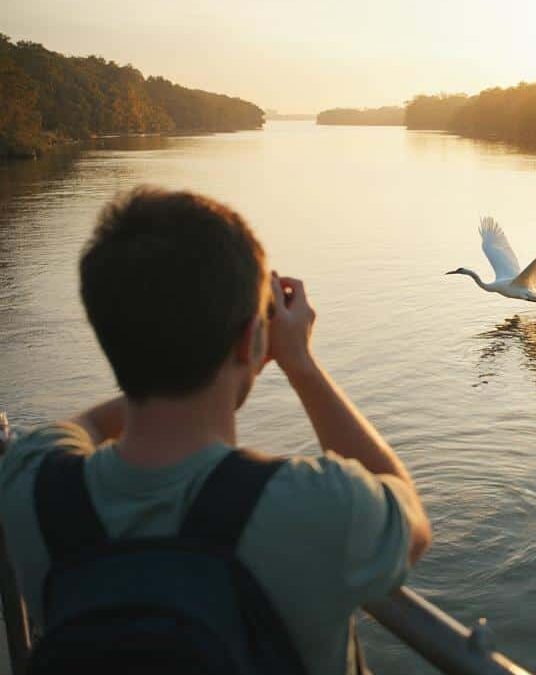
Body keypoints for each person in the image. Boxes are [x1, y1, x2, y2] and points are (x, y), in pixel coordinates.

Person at [0, 187, 431, 675]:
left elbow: (85, 425)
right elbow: (411, 515)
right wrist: (300, 364)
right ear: (252, 339)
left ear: (105, 333)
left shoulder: (32, 487)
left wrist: (191, 362)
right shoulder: (314, 507)